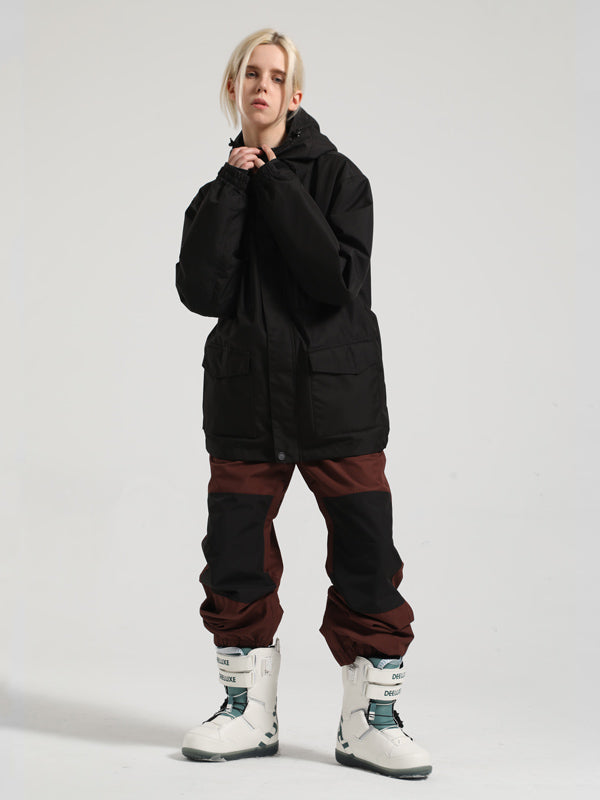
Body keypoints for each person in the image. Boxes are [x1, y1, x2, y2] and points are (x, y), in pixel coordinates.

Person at [174, 27, 432, 779]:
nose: (262, 86)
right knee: (234, 554)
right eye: (250, 74)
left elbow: (332, 283)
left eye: (276, 76)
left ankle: (369, 720)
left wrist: (277, 182)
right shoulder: (217, 191)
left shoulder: (342, 180)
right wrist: (235, 188)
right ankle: (246, 710)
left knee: (367, 553)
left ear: (295, 95)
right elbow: (199, 292)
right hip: (246, 403)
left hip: (336, 400)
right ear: (234, 88)